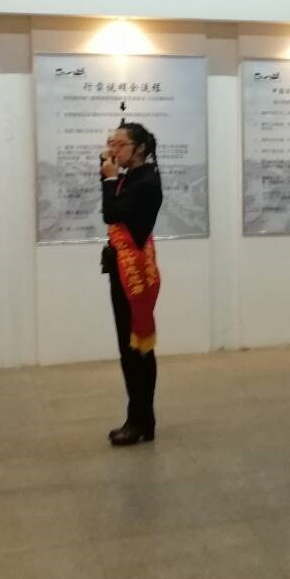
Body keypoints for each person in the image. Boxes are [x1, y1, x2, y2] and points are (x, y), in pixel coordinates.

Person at [100, 122, 164, 447]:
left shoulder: (146, 181)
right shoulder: (133, 176)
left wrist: (110, 178)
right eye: (111, 142)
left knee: (135, 349)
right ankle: (140, 419)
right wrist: (109, 173)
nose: (113, 149)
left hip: (133, 272)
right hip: (123, 267)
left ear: (139, 149)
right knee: (134, 348)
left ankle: (139, 420)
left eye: (119, 144)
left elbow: (111, 214)